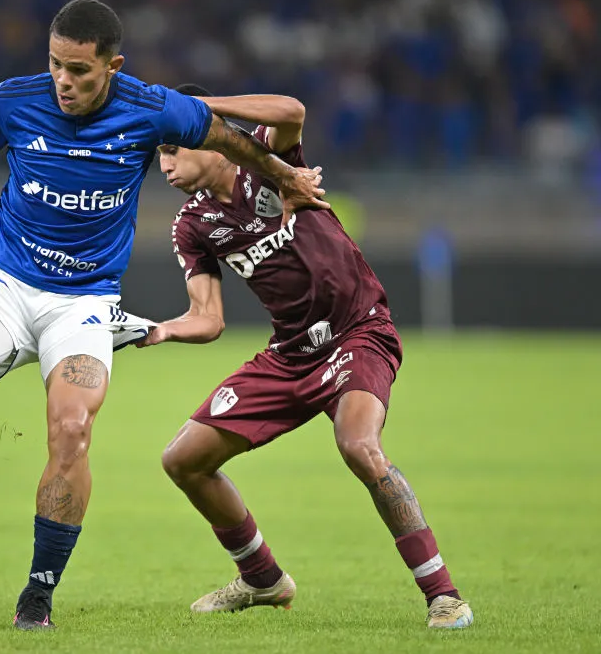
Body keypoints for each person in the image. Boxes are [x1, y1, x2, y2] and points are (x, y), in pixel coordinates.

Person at [0, 0, 325, 630]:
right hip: (2, 281)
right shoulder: (12, 100)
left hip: (83, 303)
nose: (64, 81)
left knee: (72, 428)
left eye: (80, 69)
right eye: (56, 65)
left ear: (113, 66)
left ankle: (37, 596)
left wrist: (283, 176)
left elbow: (224, 139)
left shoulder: (152, 106)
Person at [140, 83, 473, 629]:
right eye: (160, 156)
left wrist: (205, 112)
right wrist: (157, 331)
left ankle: (444, 595)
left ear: (203, 139)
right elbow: (208, 318)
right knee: (183, 460)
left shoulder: (267, 160)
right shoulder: (192, 225)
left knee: (359, 446)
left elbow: (293, 110)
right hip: (291, 354)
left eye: (173, 149)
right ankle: (262, 579)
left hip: (357, 332)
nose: (166, 166)